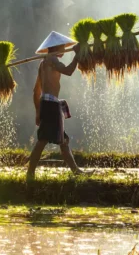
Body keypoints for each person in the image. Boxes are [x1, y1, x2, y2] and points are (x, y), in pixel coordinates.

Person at [26, 31, 90, 181]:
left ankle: (76, 171)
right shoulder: (52, 60)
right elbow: (68, 71)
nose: (63, 49)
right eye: (62, 46)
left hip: (48, 103)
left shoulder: (43, 63)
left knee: (63, 140)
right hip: (50, 104)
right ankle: (30, 174)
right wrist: (77, 55)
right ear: (56, 47)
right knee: (42, 140)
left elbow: (36, 90)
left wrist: (38, 111)